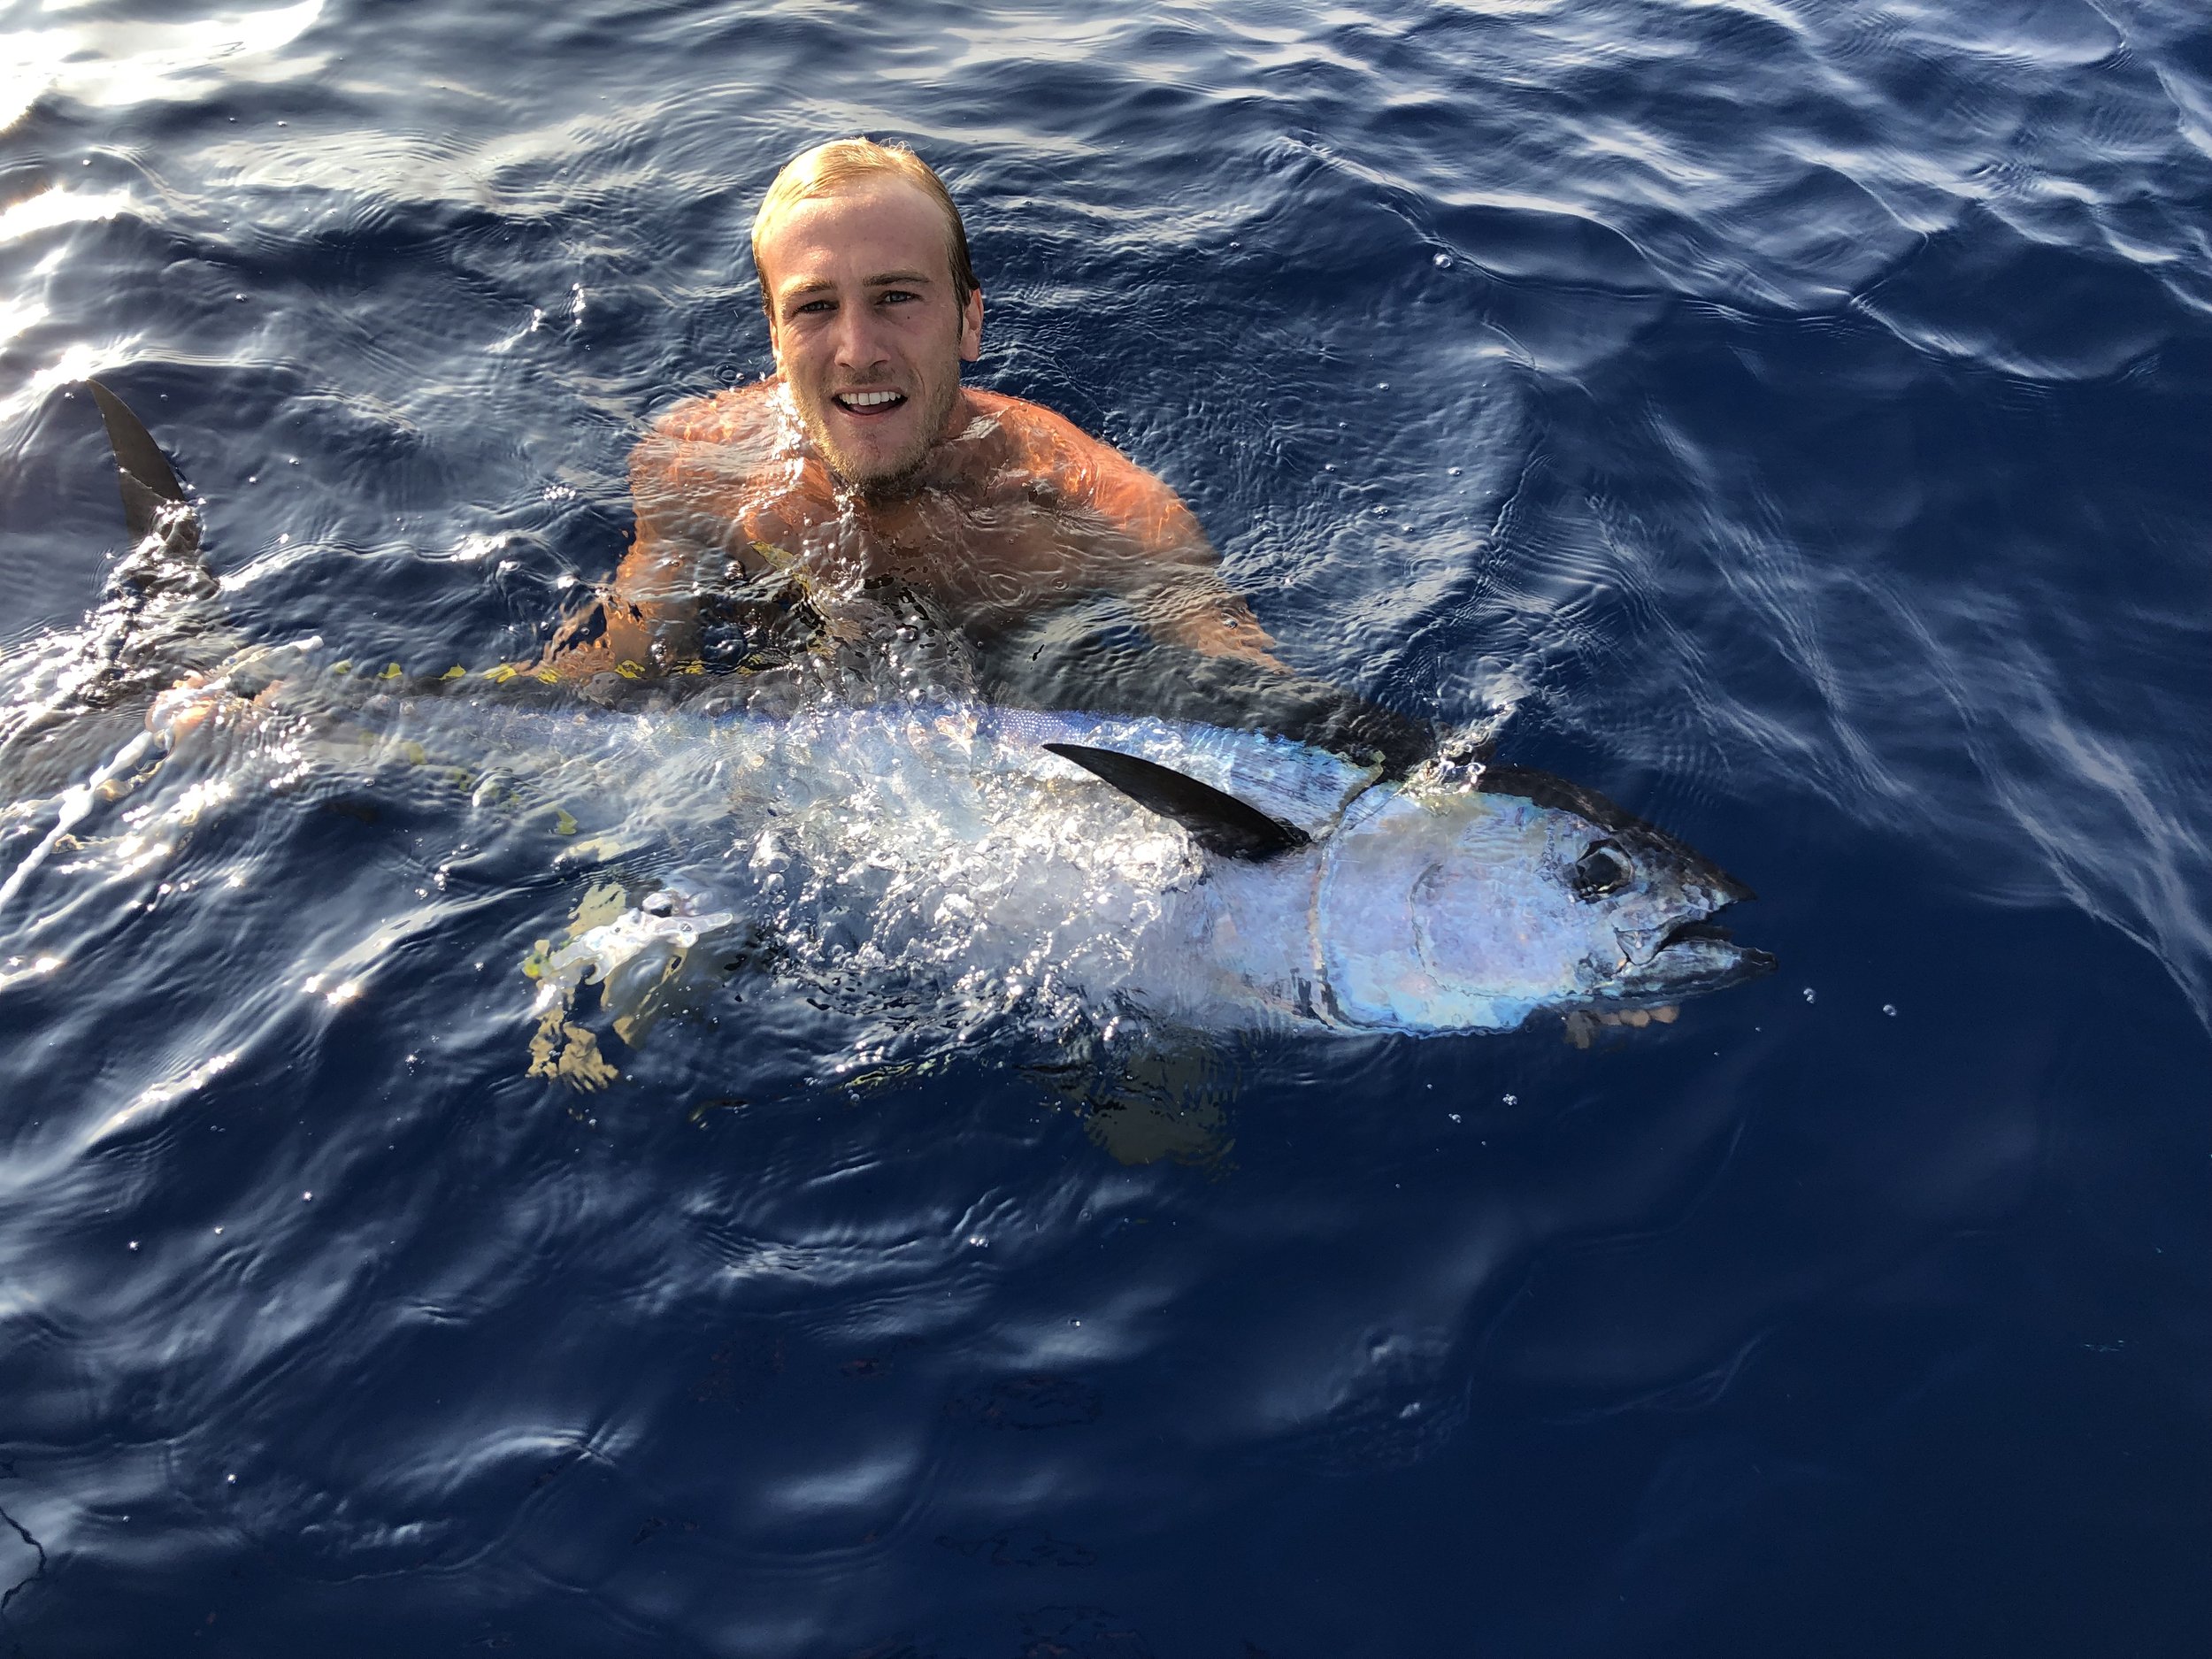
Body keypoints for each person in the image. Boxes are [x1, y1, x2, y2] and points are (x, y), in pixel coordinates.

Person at [546, 136, 1285, 689]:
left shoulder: (1100, 511)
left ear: (969, 322)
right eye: (815, 306)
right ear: (775, 337)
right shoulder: (695, 464)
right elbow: (620, 679)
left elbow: (1252, 702)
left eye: (896, 296)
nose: (858, 351)